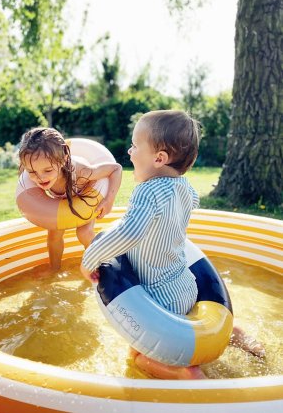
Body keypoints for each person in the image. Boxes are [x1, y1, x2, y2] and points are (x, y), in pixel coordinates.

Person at [80, 110, 265, 380]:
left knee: (137, 358)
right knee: (189, 323)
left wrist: (89, 260)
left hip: (159, 295)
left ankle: (185, 372)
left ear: (159, 158)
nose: (130, 152)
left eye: (134, 145)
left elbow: (128, 233)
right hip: (186, 285)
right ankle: (234, 333)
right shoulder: (185, 189)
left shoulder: (147, 191)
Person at [18, 127, 122, 270]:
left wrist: (108, 200)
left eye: (47, 170)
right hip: (64, 199)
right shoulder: (37, 174)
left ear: (63, 159)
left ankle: (100, 268)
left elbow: (116, 169)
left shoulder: (81, 171)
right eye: (32, 171)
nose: (40, 177)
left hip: (86, 196)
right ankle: (54, 270)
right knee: (54, 234)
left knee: (83, 233)